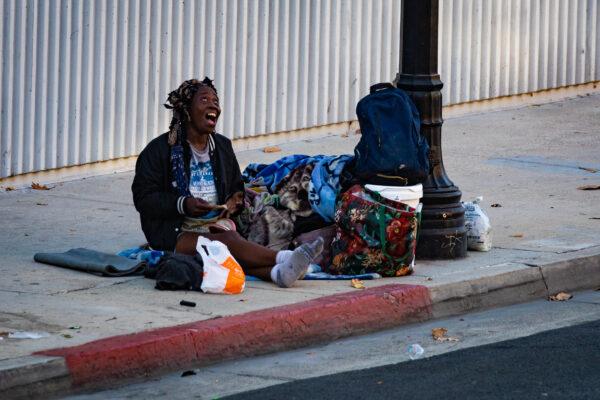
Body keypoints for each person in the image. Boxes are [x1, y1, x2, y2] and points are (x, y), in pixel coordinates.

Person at [132, 78, 323, 287]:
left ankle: (278, 273)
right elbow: (144, 198)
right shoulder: (159, 150)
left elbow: (236, 186)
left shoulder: (222, 146)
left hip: (216, 225)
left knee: (230, 247)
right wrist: (183, 204)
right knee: (228, 243)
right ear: (186, 109)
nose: (213, 105)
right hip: (175, 233)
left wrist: (235, 200)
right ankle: (284, 258)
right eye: (204, 99)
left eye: (215, 100)